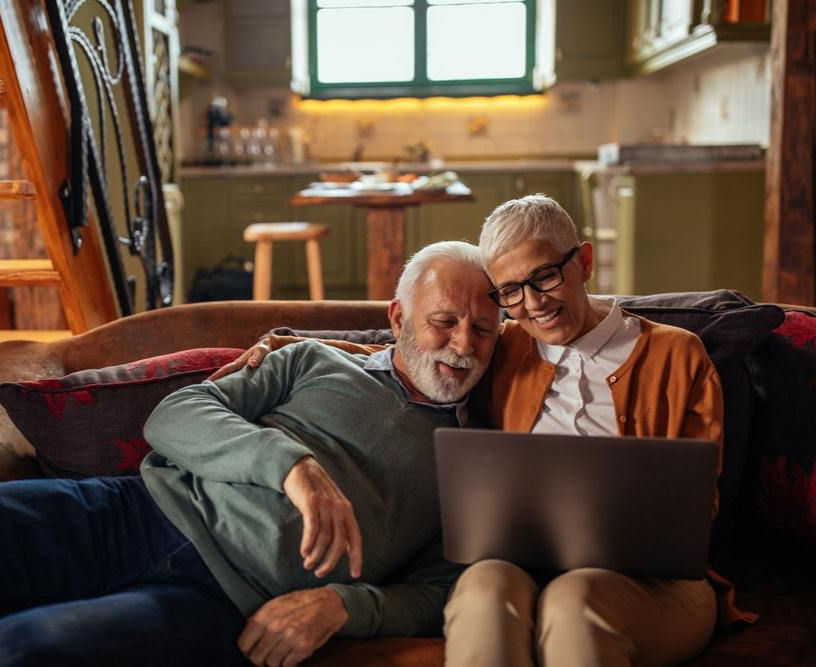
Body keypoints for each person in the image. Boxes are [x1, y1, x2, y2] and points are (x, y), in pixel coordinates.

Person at [0, 240, 500, 667]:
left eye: (483, 327)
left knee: (10, 652)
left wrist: (346, 608)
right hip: (129, 512)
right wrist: (292, 464)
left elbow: (442, 590)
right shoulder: (313, 360)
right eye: (445, 321)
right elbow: (178, 413)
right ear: (398, 317)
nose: (464, 344)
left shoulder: (468, 462)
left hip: (217, 599)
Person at [221, 195, 753, 667]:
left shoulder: (676, 354)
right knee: (479, 590)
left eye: (545, 276)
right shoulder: (508, 347)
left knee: (574, 601)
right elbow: (418, 353)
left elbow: (692, 504)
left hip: (653, 583)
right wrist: (288, 343)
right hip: (521, 566)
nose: (535, 303)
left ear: (584, 262)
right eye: (512, 292)